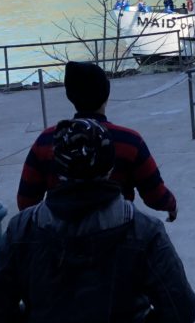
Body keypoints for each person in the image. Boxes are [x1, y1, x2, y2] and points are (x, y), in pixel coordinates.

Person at [0, 117, 195, 323]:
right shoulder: (142, 229)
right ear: (109, 166)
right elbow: (182, 308)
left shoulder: (22, 230)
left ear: (57, 167)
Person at [17, 61, 178, 221]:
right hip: (118, 233)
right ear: (106, 94)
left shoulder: (47, 140)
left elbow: (26, 201)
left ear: (70, 96)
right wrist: (171, 206)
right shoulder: (130, 142)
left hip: (62, 237)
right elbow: (154, 195)